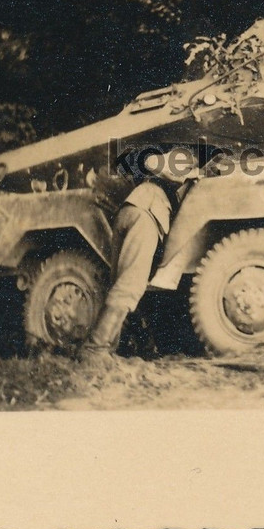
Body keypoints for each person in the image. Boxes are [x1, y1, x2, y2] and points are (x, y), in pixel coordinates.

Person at [81, 147, 200, 368]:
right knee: (130, 285)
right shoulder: (183, 160)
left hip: (131, 213)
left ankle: (107, 350)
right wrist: (190, 172)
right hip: (144, 216)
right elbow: (153, 162)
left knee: (121, 284)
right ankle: (94, 349)